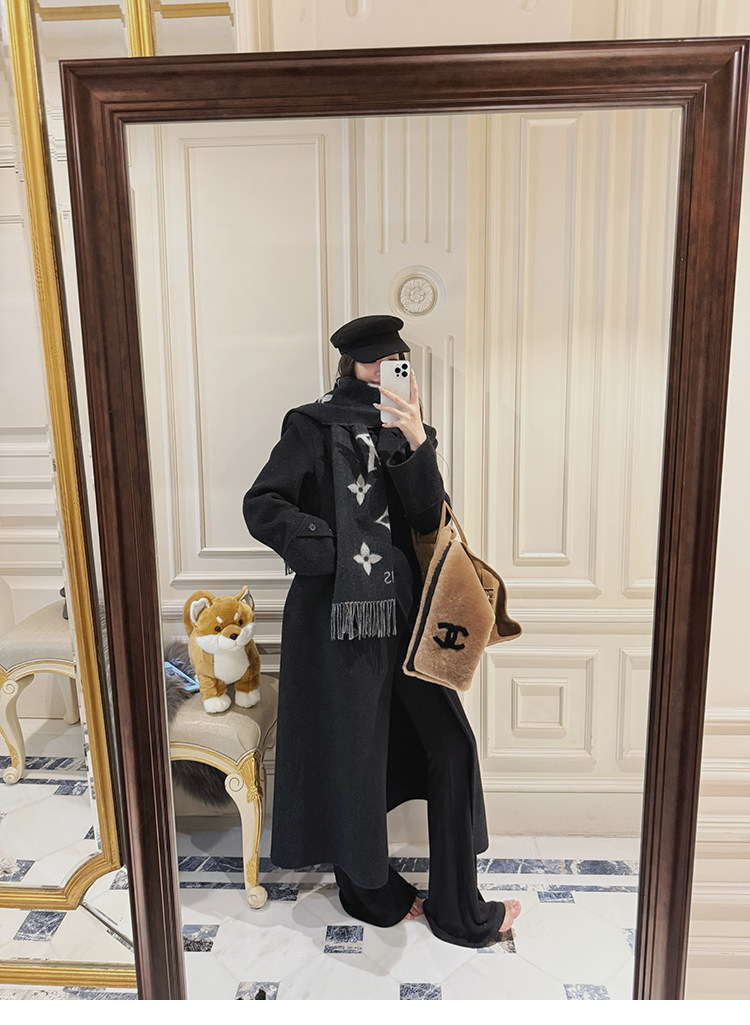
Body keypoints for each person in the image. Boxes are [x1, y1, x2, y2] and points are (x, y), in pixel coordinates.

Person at [242, 314, 521, 945]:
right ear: (353, 366)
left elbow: (427, 517)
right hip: (337, 621)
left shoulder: (404, 429)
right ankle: (370, 893)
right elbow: (263, 504)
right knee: (355, 756)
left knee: (451, 747)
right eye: (378, 362)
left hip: (408, 616)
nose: (390, 371)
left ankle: (459, 909)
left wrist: (415, 439)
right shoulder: (311, 426)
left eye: (399, 362)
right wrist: (333, 552)